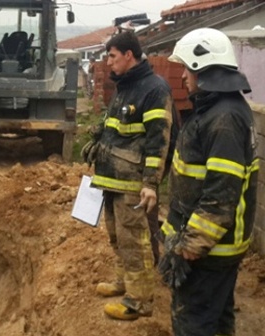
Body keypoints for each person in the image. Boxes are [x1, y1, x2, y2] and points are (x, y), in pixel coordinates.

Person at [163, 28, 257, 336]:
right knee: (216, 321)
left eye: (187, 69)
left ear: (203, 69)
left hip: (208, 253)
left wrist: (186, 249)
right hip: (213, 248)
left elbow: (220, 197)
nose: (183, 78)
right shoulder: (217, 111)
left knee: (194, 323)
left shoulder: (224, 119)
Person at [81, 31, 173, 320]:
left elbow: (159, 141)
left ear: (129, 56)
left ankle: (140, 300)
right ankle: (124, 282)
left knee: (134, 239)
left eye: (112, 56)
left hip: (132, 181)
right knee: (117, 236)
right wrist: (98, 143)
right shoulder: (125, 87)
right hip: (111, 177)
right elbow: (117, 128)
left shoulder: (154, 89)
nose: (108, 63)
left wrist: (150, 184)